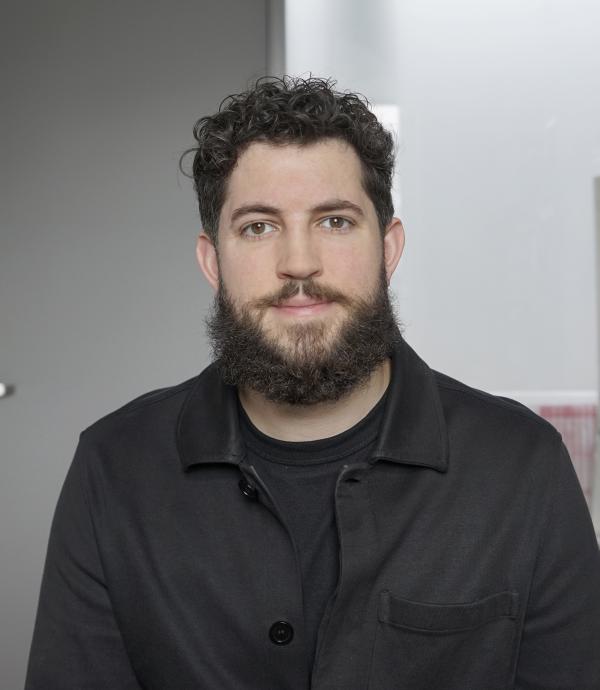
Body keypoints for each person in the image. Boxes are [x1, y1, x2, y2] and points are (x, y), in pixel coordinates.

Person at [26, 76, 600, 690]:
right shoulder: (112, 469)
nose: (299, 263)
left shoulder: (522, 466)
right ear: (212, 262)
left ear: (389, 247)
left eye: (333, 221)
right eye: (258, 227)